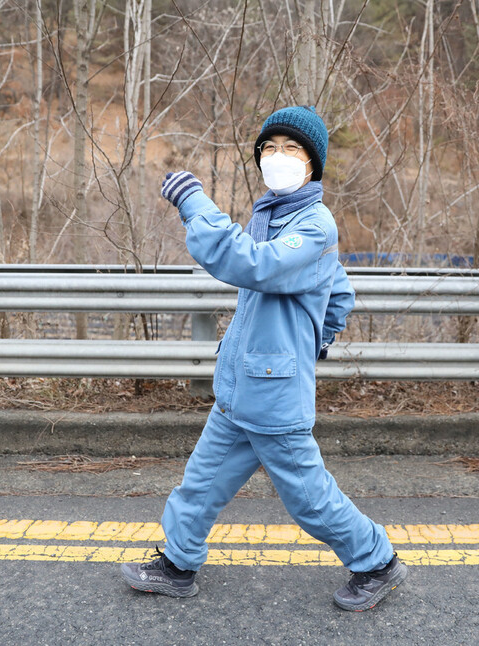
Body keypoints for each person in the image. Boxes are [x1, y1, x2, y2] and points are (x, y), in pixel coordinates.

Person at [120, 105, 407, 611]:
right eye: (269, 148)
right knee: (200, 485)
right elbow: (339, 292)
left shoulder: (314, 225)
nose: (278, 156)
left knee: (310, 501)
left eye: (291, 148)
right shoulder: (270, 214)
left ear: (313, 164)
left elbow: (253, 265)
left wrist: (196, 206)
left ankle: (377, 562)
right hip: (239, 388)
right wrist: (315, 340)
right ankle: (178, 564)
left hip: (273, 397)